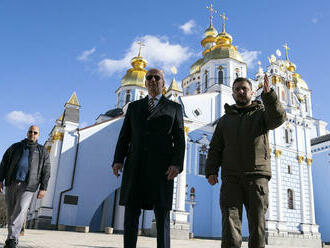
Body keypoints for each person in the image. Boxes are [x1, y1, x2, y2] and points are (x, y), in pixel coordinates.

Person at [205, 75, 286, 248]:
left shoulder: (262, 115)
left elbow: (278, 118)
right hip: (231, 178)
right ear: (232, 94)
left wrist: (269, 95)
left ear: (252, 92)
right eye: (237, 89)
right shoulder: (225, 121)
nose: (241, 92)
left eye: (244, 89)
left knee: (257, 225)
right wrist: (211, 170)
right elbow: (215, 147)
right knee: (229, 224)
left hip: (256, 177)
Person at [112, 68, 185, 248]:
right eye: (149, 78)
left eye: (157, 77)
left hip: (162, 169)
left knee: (162, 217)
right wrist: (118, 160)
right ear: (145, 83)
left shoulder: (174, 108)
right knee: (131, 216)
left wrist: (176, 164)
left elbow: (180, 139)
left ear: (163, 83)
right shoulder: (134, 107)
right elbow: (125, 136)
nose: (153, 80)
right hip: (136, 166)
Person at [0, 125, 50, 248]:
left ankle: (12, 239)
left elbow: (46, 170)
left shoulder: (42, 151)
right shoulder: (15, 147)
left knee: (21, 209)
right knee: (11, 211)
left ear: (38, 135)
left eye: (35, 132)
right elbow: (4, 163)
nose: (32, 134)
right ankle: (12, 238)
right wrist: (0, 180)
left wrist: (43, 187)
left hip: (29, 185)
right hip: (11, 182)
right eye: (30, 132)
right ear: (27, 133)